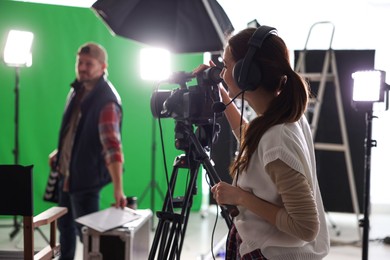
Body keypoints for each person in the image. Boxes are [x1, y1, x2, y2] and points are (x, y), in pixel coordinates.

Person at [196, 26, 330, 259]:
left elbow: (307, 227)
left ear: (245, 74)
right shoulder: (285, 119)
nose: (221, 72)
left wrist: (239, 197)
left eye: (226, 66)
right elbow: (254, 140)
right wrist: (222, 94)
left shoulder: (276, 139)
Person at [49, 42, 127, 260]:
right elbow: (76, 130)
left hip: (85, 179)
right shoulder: (79, 90)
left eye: (89, 64)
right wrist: (61, 152)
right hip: (68, 175)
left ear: (103, 67)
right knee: (65, 230)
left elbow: (112, 147)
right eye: (80, 62)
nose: (82, 68)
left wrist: (118, 190)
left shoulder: (106, 102)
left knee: (90, 237)